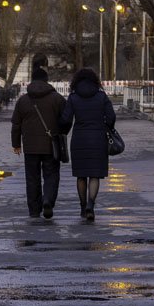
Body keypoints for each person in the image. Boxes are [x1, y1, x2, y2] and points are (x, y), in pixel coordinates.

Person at [10, 62, 66, 219]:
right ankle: (48, 200)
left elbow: (16, 125)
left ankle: (34, 210)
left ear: (32, 81)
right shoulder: (57, 99)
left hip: (30, 146)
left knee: (32, 177)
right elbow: (66, 120)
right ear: (47, 80)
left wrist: (16, 144)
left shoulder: (23, 101)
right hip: (51, 144)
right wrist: (61, 134)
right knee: (51, 174)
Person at [59, 67, 116, 222]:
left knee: (81, 175)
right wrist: (106, 127)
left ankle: (83, 206)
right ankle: (91, 204)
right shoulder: (101, 96)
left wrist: (62, 131)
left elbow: (66, 119)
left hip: (79, 139)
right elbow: (111, 117)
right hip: (98, 139)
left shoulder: (73, 97)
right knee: (95, 175)